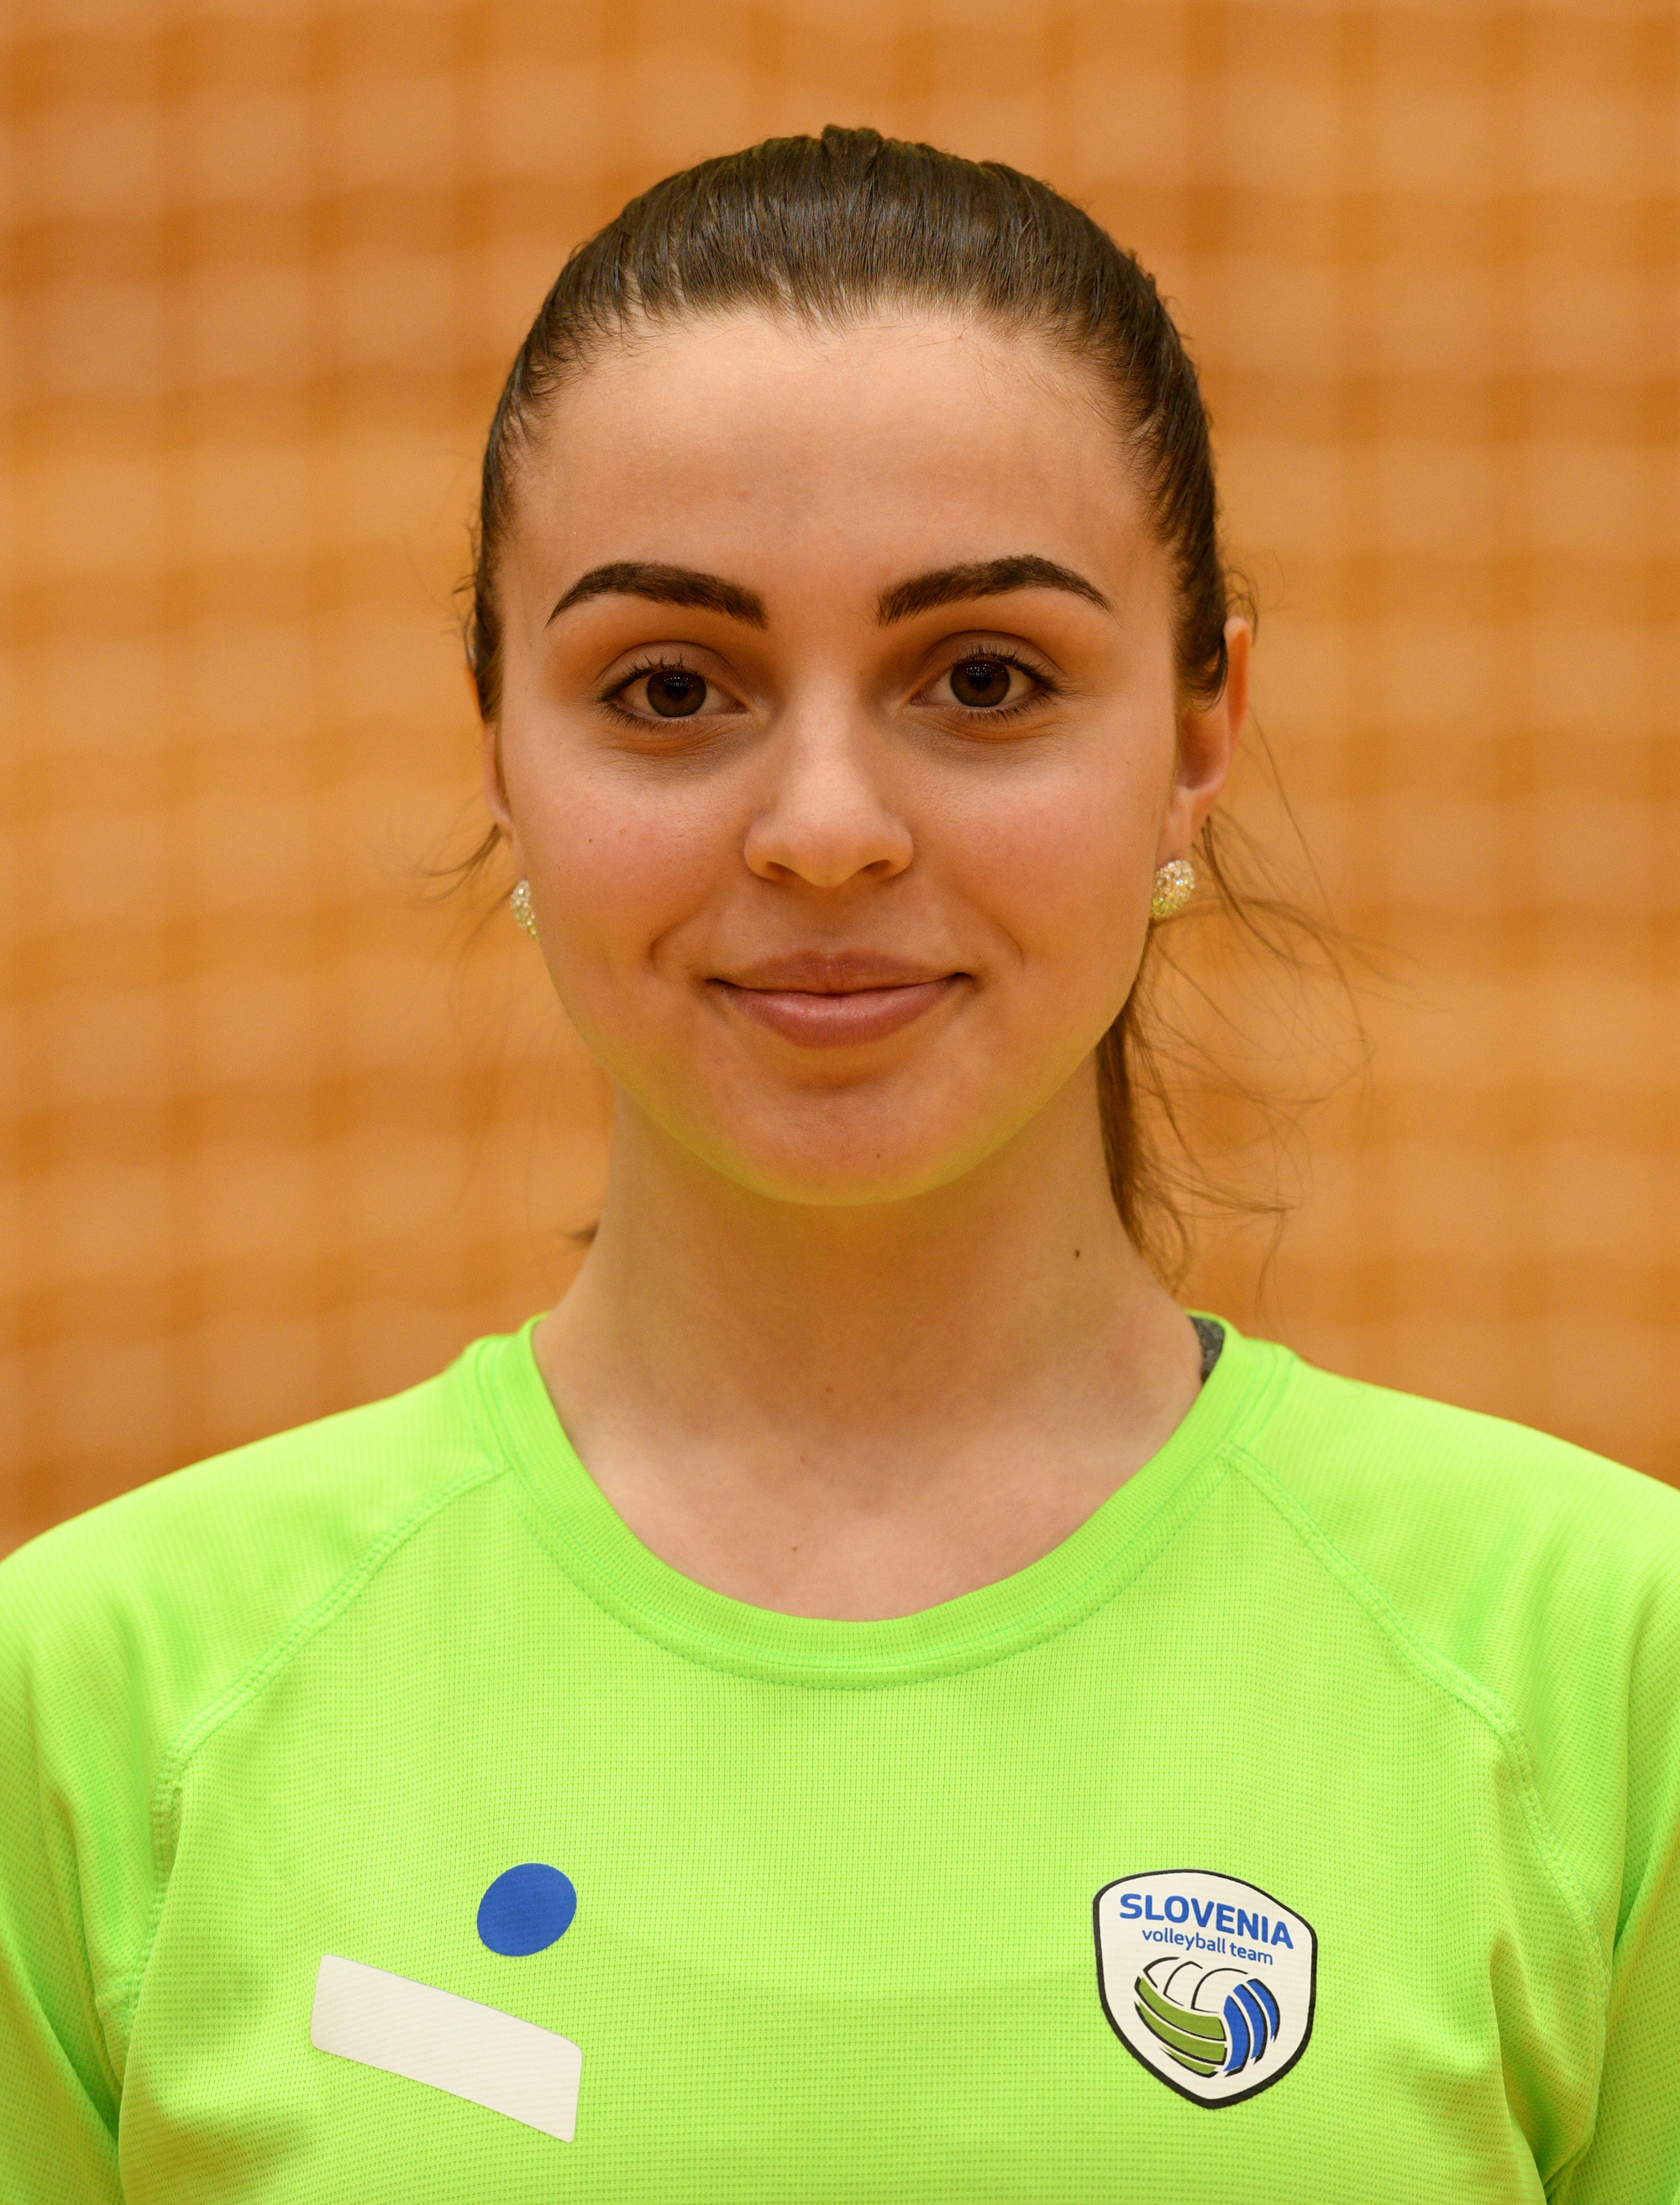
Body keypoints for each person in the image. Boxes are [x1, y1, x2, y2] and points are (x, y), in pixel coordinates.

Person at [2, 129, 1676, 2204]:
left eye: (982, 681)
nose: (821, 829)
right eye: (667, 689)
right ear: (494, 738)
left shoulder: (1605, 1671)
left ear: (1199, 730)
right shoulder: (97, 1706)